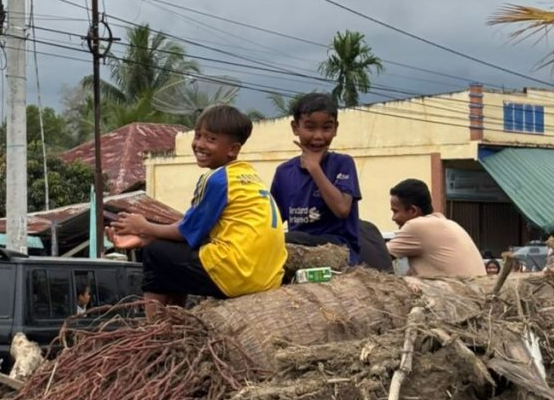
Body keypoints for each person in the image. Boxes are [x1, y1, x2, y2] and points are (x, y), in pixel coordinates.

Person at [108, 105, 287, 316]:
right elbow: (197, 231)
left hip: (238, 273)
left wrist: (144, 227)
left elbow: (187, 232)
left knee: (155, 255)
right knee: (164, 255)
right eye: (198, 135)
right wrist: (148, 237)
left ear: (232, 149)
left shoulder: (217, 179)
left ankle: (156, 329)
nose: (199, 144)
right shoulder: (249, 177)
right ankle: (173, 323)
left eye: (211, 139)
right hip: (266, 276)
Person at [270, 93, 363, 265]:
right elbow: (272, 221)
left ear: (335, 128)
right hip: (297, 245)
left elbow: (342, 209)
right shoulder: (283, 172)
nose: (318, 136)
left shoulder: (343, 163)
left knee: (289, 239)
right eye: (310, 128)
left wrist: (315, 169)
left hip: (337, 246)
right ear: (295, 127)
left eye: (326, 128)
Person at [387, 178, 486, 277]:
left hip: (452, 290)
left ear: (412, 210)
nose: (393, 218)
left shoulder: (416, 226)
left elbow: (379, 255)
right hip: (477, 288)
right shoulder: (449, 223)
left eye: (395, 211)